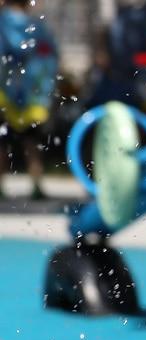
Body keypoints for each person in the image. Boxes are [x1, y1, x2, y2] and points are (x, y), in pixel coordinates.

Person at [0, 0, 57, 199]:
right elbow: (50, 57)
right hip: (32, 94)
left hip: (4, 94)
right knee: (32, 144)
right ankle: (37, 185)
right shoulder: (36, 27)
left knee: (2, 142)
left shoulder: (2, 24)